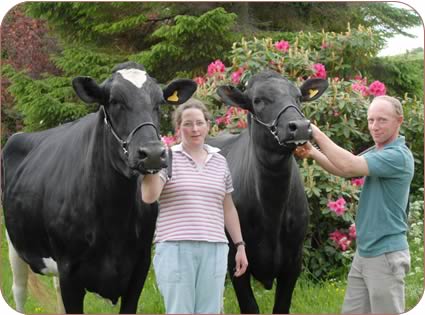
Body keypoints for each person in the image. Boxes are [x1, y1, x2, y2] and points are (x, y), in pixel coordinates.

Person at [295, 95, 414, 314]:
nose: (374, 127)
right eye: (370, 120)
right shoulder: (377, 152)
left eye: (382, 120)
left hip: (386, 254)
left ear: (399, 120)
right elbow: (342, 169)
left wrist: (315, 132)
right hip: (366, 252)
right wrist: (313, 152)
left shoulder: (398, 156)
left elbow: (349, 165)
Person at [141, 98, 248, 314]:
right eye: (187, 124)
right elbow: (149, 197)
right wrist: (152, 166)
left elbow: (227, 207)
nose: (194, 129)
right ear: (178, 128)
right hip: (176, 248)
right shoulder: (168, 157)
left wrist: (240, 245)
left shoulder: (220, 162)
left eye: (199, 122)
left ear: (208, 125)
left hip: (215, 248)